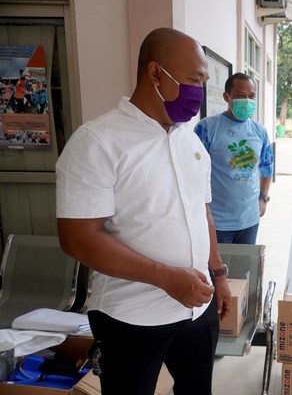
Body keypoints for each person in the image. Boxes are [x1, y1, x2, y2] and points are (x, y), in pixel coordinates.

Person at [56, 28, 231, 395]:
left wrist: (218, 274)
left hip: (195, 310)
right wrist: (167, 278)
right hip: (131, 317)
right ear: (155, 74)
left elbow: (203, 214)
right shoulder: (98, 142)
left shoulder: (190, 139)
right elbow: (78, 238)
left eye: (203, 82)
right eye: (193, 80)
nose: (199, 93)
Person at [194, 72, 274, 245]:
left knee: (243, 270)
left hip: (249, 220)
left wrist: (263, 198)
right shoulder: (207, 127)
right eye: (240, 96)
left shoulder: (260, 131)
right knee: (217, 270)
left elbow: (267, 166)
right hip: (216, 221)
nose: (247, 101)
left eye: (251, 96)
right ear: (226, 97)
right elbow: (194, 171)